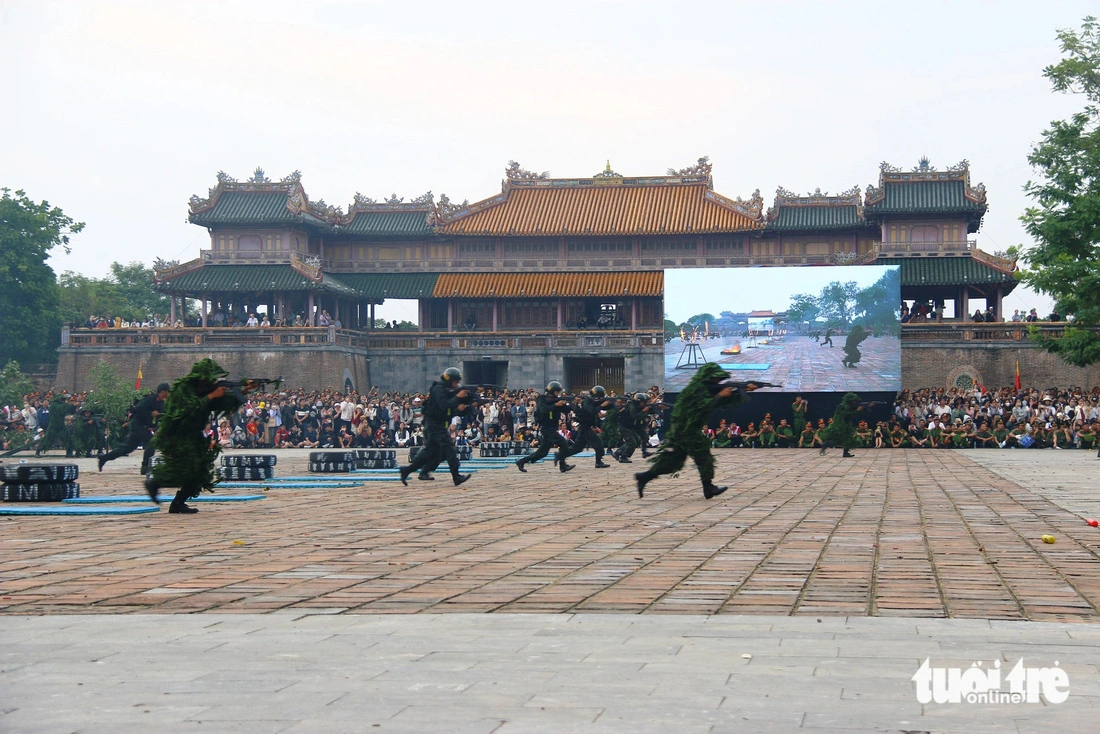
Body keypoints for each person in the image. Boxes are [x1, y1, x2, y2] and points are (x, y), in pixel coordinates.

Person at [144, 360, 258, 514]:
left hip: (194, 435)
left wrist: (245, 390)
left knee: (200, 470)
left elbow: (223, 404)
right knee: (184, 468)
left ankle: (178, 502)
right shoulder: (183, 390)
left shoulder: (204, 392)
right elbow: (187, 410)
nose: (212, 382)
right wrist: (211, 395)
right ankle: (154, 483)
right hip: (177, 435)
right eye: (208, 379)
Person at [634, 363, 743, 500]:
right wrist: (720, 395)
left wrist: (741, 391)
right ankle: (708, 487)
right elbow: (702, 407)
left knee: (674, 461)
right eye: (716, 379)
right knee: (703, 455)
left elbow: (719, 402)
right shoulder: (696, 390)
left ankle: (644, 477)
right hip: (686, 429)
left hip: (683, 429)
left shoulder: (704, 389)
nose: (718, 382)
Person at [398, 367, 472, 487]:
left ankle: (407, 470)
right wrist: (458, 396)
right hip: (433, 426)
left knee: (431, 453)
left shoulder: (445, 390)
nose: (457, 384)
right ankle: (456, 476)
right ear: (449, 380)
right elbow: (444, 405)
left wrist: (463, 405)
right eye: (455, 382)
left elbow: (448, 410)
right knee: (449, 449)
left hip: (438, 426)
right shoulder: (438, 389)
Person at [98, 383, 170, 473]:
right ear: (162, 392)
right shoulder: (149, 399)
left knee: (128, 448)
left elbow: (158, 417)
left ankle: (104, 458)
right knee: (151, 443)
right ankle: (145, 467)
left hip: (144, 426)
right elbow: (138, 409)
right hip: (137, 424)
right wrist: (150, 413)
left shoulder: (161, 403)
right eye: (167, 392)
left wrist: (156, 428)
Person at [516, 381, 575, 473]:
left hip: (552, 428)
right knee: (563, 442)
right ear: (552, 391)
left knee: (542, 453)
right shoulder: (542, 399)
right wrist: (556, 404)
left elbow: (567, 409)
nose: (558, 394)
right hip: (546, 428)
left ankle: (521, 461)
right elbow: (543, 409)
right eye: (556, 391)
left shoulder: (556, 400)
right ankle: (562, 465)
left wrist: (571, 403)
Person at [560, 385, 612, 469]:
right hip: (584, 427)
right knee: (598, 443)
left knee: (577, 448)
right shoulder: (587, 401)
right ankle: (598, 462)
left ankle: (561, 457)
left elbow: (602, 406)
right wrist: (602, 405)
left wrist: (613, 404)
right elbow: (592, 411)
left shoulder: (591, 401)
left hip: (585, 427)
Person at [613, 393, 654, 463]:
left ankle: (618, 452)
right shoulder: (632, 406)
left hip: (630, 426)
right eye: (642, 402)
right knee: (632, 442)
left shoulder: (636, 406)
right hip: (624, 426)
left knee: (638, 440)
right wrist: (644, 411)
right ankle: (624, 456)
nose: (643, 403)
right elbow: (635, 416)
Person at [818, 393, 863, 457]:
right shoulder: (843, 406)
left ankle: (845, 452)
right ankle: (826, 444)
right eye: (853, 401)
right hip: (840, 425)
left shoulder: (849, 406)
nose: (854, 402)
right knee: (841, 439)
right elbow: (846, 414)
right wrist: (857, 410)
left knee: (847, 438)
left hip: (846, 424)